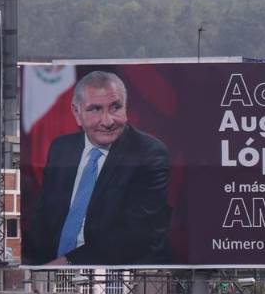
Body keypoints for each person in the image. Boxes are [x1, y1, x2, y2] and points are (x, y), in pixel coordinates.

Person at [23, 71, 171, 265]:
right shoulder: (61, 148)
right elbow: (43, 219)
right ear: (77, 113)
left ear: (126, 107)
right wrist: (29, 265)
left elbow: (136, 235)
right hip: (48, 270)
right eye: (95, 109)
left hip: (114, 272)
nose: (107, 121)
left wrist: (66, 264)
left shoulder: (149, 153)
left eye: (115, 107)